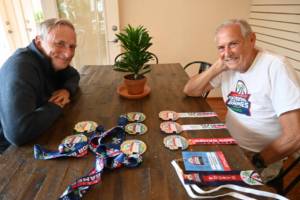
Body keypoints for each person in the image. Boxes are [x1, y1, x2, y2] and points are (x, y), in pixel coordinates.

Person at [183, 19, 300, 182]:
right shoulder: (228, 64)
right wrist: (217, 67)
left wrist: (256, 161)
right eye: (221, 47)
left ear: (251, 39)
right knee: (183, 163)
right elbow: (190, 90)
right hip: (227, 144)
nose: (227, 52)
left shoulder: (276, 67)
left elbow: (295, 136)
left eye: (233, 44)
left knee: (210, 188)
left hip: (260, 156)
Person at [0, 18, 80, 153]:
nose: (68, 54)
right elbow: (18, 134)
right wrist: (57, 105)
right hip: (8, 152)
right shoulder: (21, 68)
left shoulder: (49, 59)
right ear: (39, 42)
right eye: (60, 44)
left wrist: (66, 90)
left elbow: (73, 75)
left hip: (38, 132)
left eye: (72, 46)